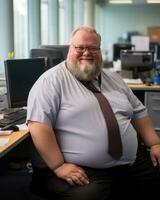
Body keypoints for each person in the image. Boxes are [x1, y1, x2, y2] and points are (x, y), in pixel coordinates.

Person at [27, 26, 160, 200]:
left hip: (130, 162)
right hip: (82, 167)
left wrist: (155, 144)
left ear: (99, 50)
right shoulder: (50, 82)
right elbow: (39, 126)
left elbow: (138, 113)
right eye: (80, 48)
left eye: (92, 48)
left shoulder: (114, 78)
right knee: (91, 196)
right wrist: (58, 166)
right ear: (70, 48)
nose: (86, 53)